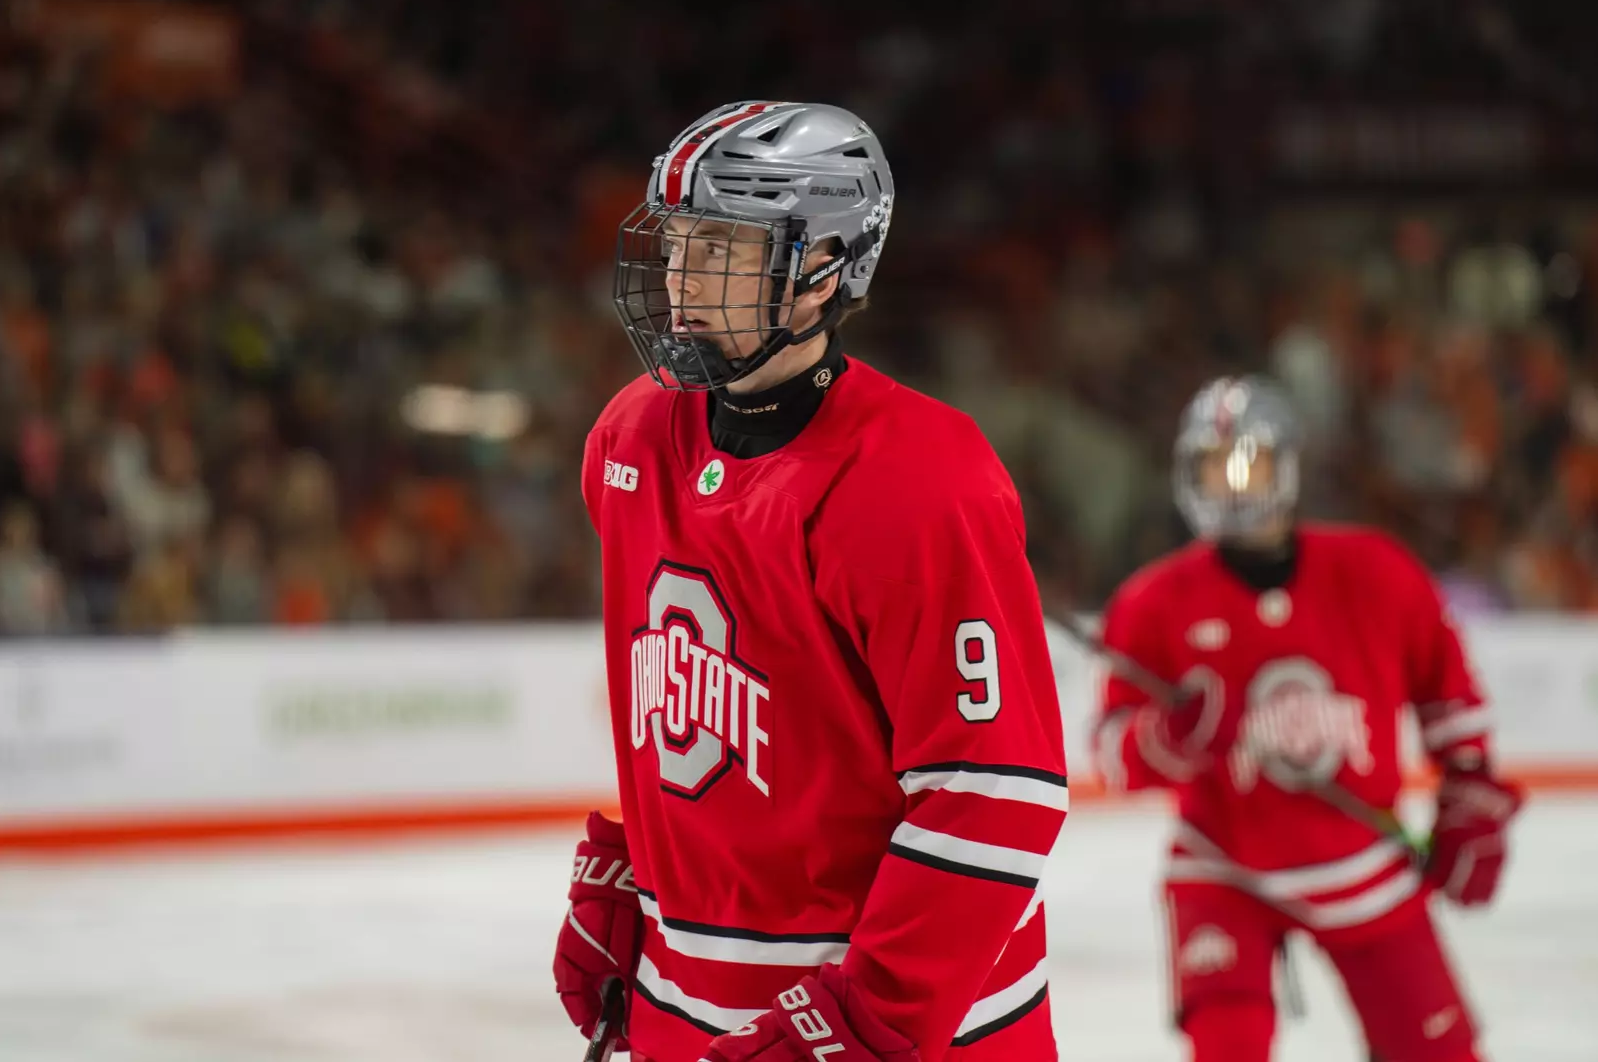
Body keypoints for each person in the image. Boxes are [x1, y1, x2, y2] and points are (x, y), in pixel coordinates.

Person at [555, 101, 1069, 1062]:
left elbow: (995, 793)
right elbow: (701, 702)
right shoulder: (628, 439)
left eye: (722, 249)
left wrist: (870, 1020)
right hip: (683, 1003)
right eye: (677, 244)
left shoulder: (921, 477)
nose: (680, 280)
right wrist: (641, 866)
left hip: (902, 1031)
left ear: (823, 267)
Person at [1092, 375, 1524, 1062]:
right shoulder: (1153, 603)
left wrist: (1470, 789)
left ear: (1285, 467)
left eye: (1249, 463)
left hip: (1361, 862)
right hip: (1223, 868)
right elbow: (1113, 756)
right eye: (1213, 466)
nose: (1232, 485)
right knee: (1226, 1047)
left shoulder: (1376, 573)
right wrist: (1169, 740)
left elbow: (1451, 695)